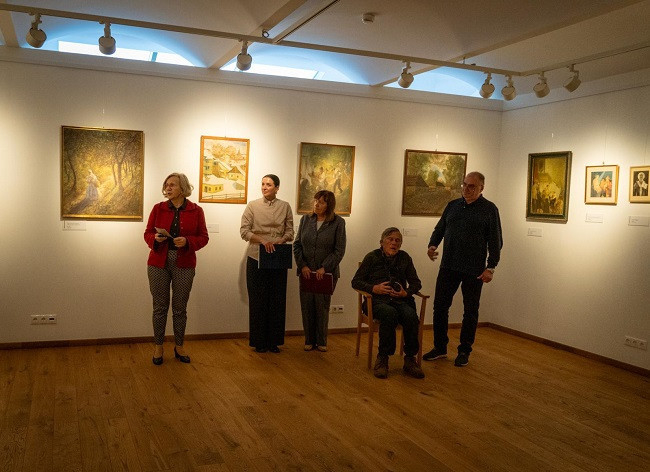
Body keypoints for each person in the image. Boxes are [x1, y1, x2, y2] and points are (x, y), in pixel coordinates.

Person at [424, 171, 502, 367]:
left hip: (474, 269)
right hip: (449, 265)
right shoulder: (453, 205)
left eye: (471, 186)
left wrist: (491, 267)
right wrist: (432, 245)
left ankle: (464, 350)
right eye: (464, 184)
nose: (466, 189)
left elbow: (495, 241)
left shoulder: (489, 209)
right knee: (440, 307)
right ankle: (440, 347)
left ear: (481, 188)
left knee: (470, 310)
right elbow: (440, 228)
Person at [144, 173, 209, 365]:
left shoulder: (196, 210)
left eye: (172, 185)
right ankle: (158, 347)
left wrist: (188, 241)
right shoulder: (158, 208)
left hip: (184, 263)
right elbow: (147, 233)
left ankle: (179, 346)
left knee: (180, 308)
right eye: (166, 185)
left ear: (183, 188)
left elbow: (204, 237)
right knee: (159, 307)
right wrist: (155, 239)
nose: (168, 188)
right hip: (158, 263)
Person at [351, 227, 425, 379]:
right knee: (389, 313)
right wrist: (374, 288)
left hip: (400, 300)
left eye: (397, 240)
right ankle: (383, 358)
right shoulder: (372, 257)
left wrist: (406, 293)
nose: (394, 243)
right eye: (390, 239)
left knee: (411, 316)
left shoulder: (405, 258)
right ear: (382, 242)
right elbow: (356, 281)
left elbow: (416, 283)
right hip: (376, 301)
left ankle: (410, 359)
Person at [240, 174, 294, 353]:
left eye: (269, 184)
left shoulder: (285, 206)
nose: (264, 187)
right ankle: (259, 342)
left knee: (277, 300)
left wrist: (280, 240)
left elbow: (290, 231)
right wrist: (263, 241)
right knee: (258, 300)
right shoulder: (252, 205)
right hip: (256, 256)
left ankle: (274, 342)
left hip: (278, 257)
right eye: (262, 184)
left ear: (277, 188)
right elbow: (244, 231)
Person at [293, 190, 347, 352]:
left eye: (321, 202)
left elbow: (339, 250)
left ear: (329, 205)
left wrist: (325, 267)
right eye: (315, 201)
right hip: (306, 272)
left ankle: (321, 341)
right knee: (307, 306)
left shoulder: (338, 222)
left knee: (322, 307)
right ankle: (309, 340)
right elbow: (297, 245)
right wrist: (302, 265)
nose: (317, 204)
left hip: (326, 274)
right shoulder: (305, 219)